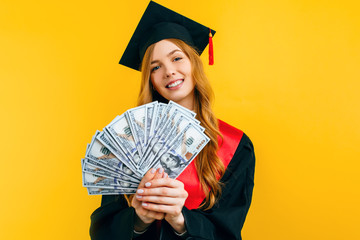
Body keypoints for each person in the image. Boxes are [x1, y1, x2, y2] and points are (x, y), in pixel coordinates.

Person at [89, 1, 255, 239]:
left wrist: (180, 219)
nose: (169, 71)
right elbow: (102, 230)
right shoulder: (127, 141)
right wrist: (139, 218)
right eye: (156, 67)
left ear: (194, 63)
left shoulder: (235, 145)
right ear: (151, 80)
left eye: (177, 58)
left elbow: (227, 230)